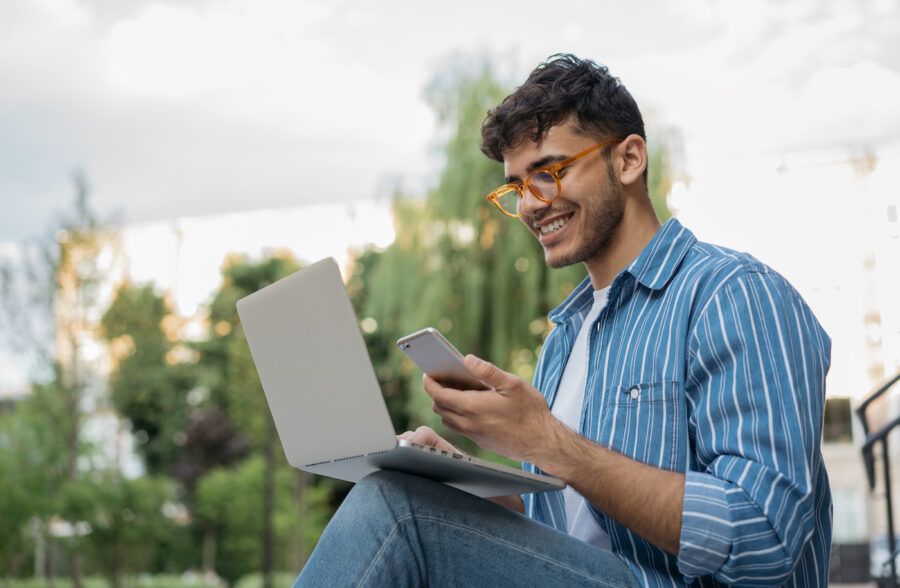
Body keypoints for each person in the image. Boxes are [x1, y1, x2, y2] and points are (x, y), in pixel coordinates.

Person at [295, 54, 832, 587]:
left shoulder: (732, 293)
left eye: (550, 172)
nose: (531, 204)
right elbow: (565, 537)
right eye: (517, 186)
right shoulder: (565, 339)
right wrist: (461, 478)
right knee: (409, 494)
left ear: (628, 160)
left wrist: (546, 440)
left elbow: (766, 536)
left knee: (396, 508)